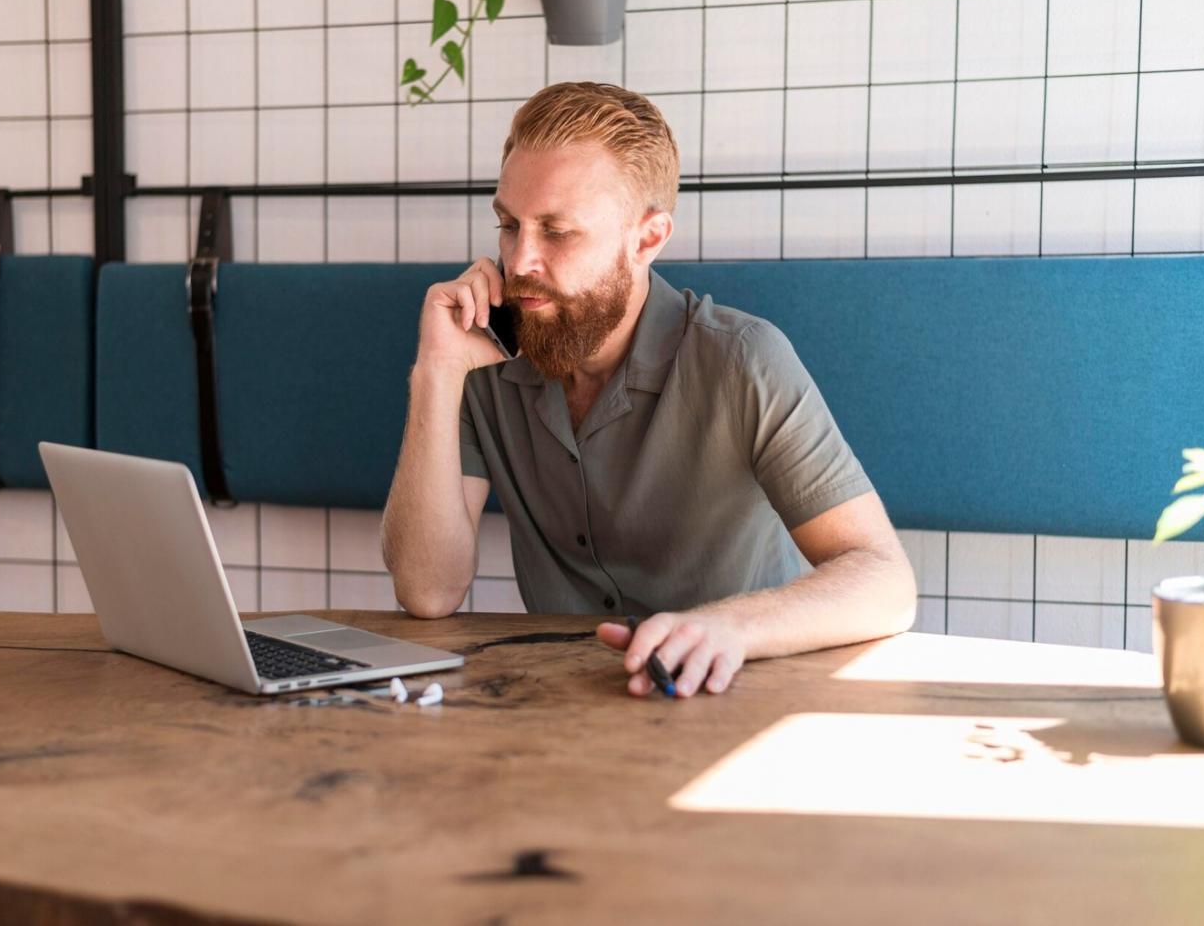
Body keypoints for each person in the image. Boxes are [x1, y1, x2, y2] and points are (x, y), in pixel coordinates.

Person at [380, 81, 916, 698]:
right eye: (509, 224)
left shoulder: (743, 359)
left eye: (557, 231)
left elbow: (883, 578)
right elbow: (427, 592)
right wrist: (436, 373)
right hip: (560, 706)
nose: (519, 260)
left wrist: (727, 627)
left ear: (647, 239)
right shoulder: (483, 361)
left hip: (738, 694)